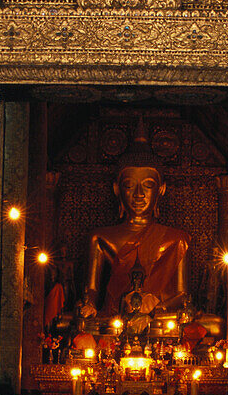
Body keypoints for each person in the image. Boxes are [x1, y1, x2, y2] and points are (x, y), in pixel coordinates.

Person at [79, 125, 191, 317]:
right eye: (129, 186)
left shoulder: (176, 239)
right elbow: (92, 289)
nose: (139, 194)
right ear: (116, 189)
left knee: (213, 325)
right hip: (116, 317)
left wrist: (157, 308)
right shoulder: (100, 237)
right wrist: (87, 305)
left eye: (148, 186)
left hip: (159, 319)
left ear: (161, 189)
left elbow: (182, 295)